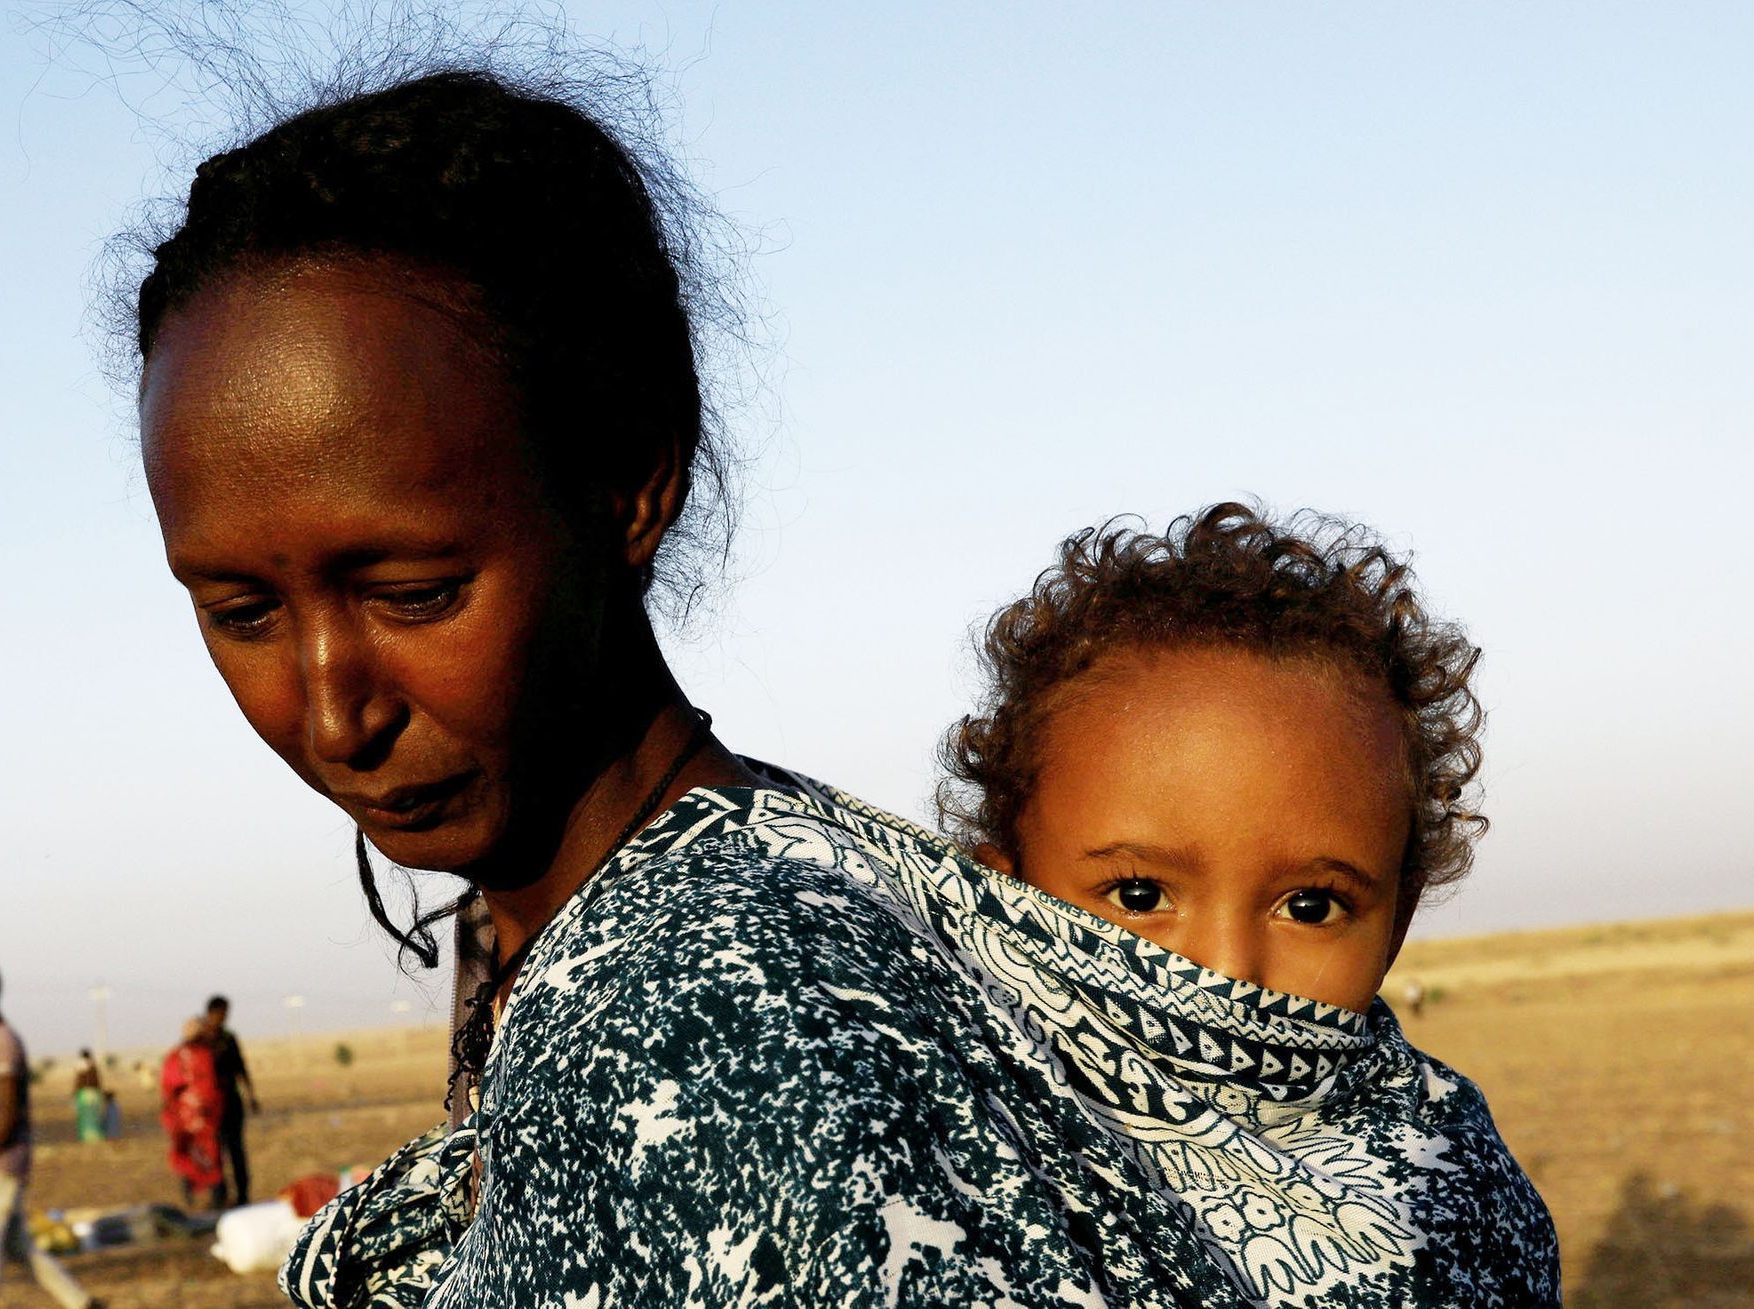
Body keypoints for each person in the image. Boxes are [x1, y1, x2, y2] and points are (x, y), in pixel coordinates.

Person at [125, 61, 1558, 1309]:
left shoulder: (669, 1014)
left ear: (630, 490)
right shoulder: (790, 882)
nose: (330, 709)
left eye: (414, 592)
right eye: (240, 610)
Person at [940, 503, 1561, 1300]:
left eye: (1309, 906)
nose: (1227, 969)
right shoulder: (953, 1132)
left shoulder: (1452, 1179)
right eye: (1139, 894)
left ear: (1395, 926)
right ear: (1000, 897)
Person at [0, 957, 102, 1309]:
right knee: (21, 1249)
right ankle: (81, 1302)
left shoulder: (3, 1042)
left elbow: (8, 1111)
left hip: (0, 1164)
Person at [159, 1018, 224, 1208]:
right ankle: (197, 1200)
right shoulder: (181, 1057)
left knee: (208, 1157)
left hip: (204, 1118)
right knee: (192, 1157)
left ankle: (211, 1200)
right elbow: (170, 1088)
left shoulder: (206, 1054)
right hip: (190, 1118)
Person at [201, 995, 259, 1207]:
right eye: (222, 1013)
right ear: (212, 1013)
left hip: (231, 1103)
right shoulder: (201, 1040)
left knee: (236, 1151)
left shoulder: (228, 1038)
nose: (225, 1018)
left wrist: (250, 1095)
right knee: (213, 1152)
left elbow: (241, 1068)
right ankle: (218, 1196)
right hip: (209, 1106)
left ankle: (242, 1196)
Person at [70, 1048, 106, 1143]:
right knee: (94, 1115)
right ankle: (95, 1137)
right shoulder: (93, 1066)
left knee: (84, 1116)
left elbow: (77, 1082)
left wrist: (74, 1095)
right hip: (94, 1094)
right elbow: (98, 1082)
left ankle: (86, 1137)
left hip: (83, 1095)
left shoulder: (80, 1067)